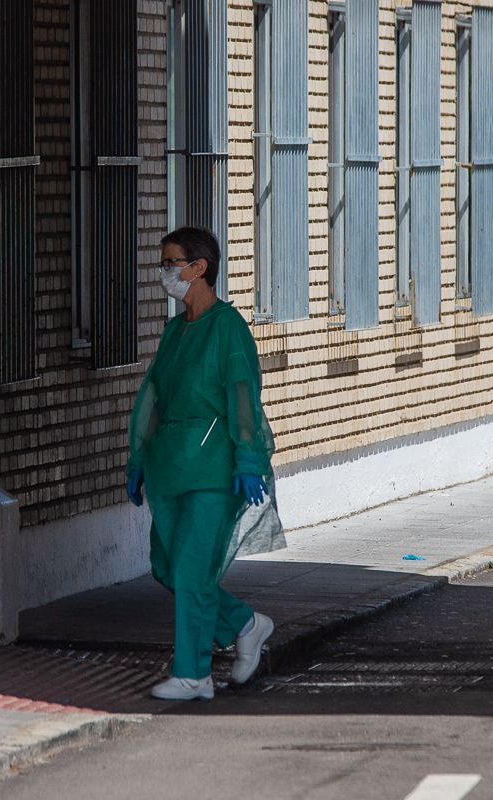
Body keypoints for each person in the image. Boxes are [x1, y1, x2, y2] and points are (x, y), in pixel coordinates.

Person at [126, 226, 285, 701]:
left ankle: (193, 674)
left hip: (214, 468)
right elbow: (153, 397)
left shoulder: (227, 328)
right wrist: (138, 456)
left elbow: (242, 397)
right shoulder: (176, 331)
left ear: (199, 268)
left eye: (171, 263)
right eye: (162, 264)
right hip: (171, 465)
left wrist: (249, 459)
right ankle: (245, 624)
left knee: (193, 571)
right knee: (168, 568)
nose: (164, 273)